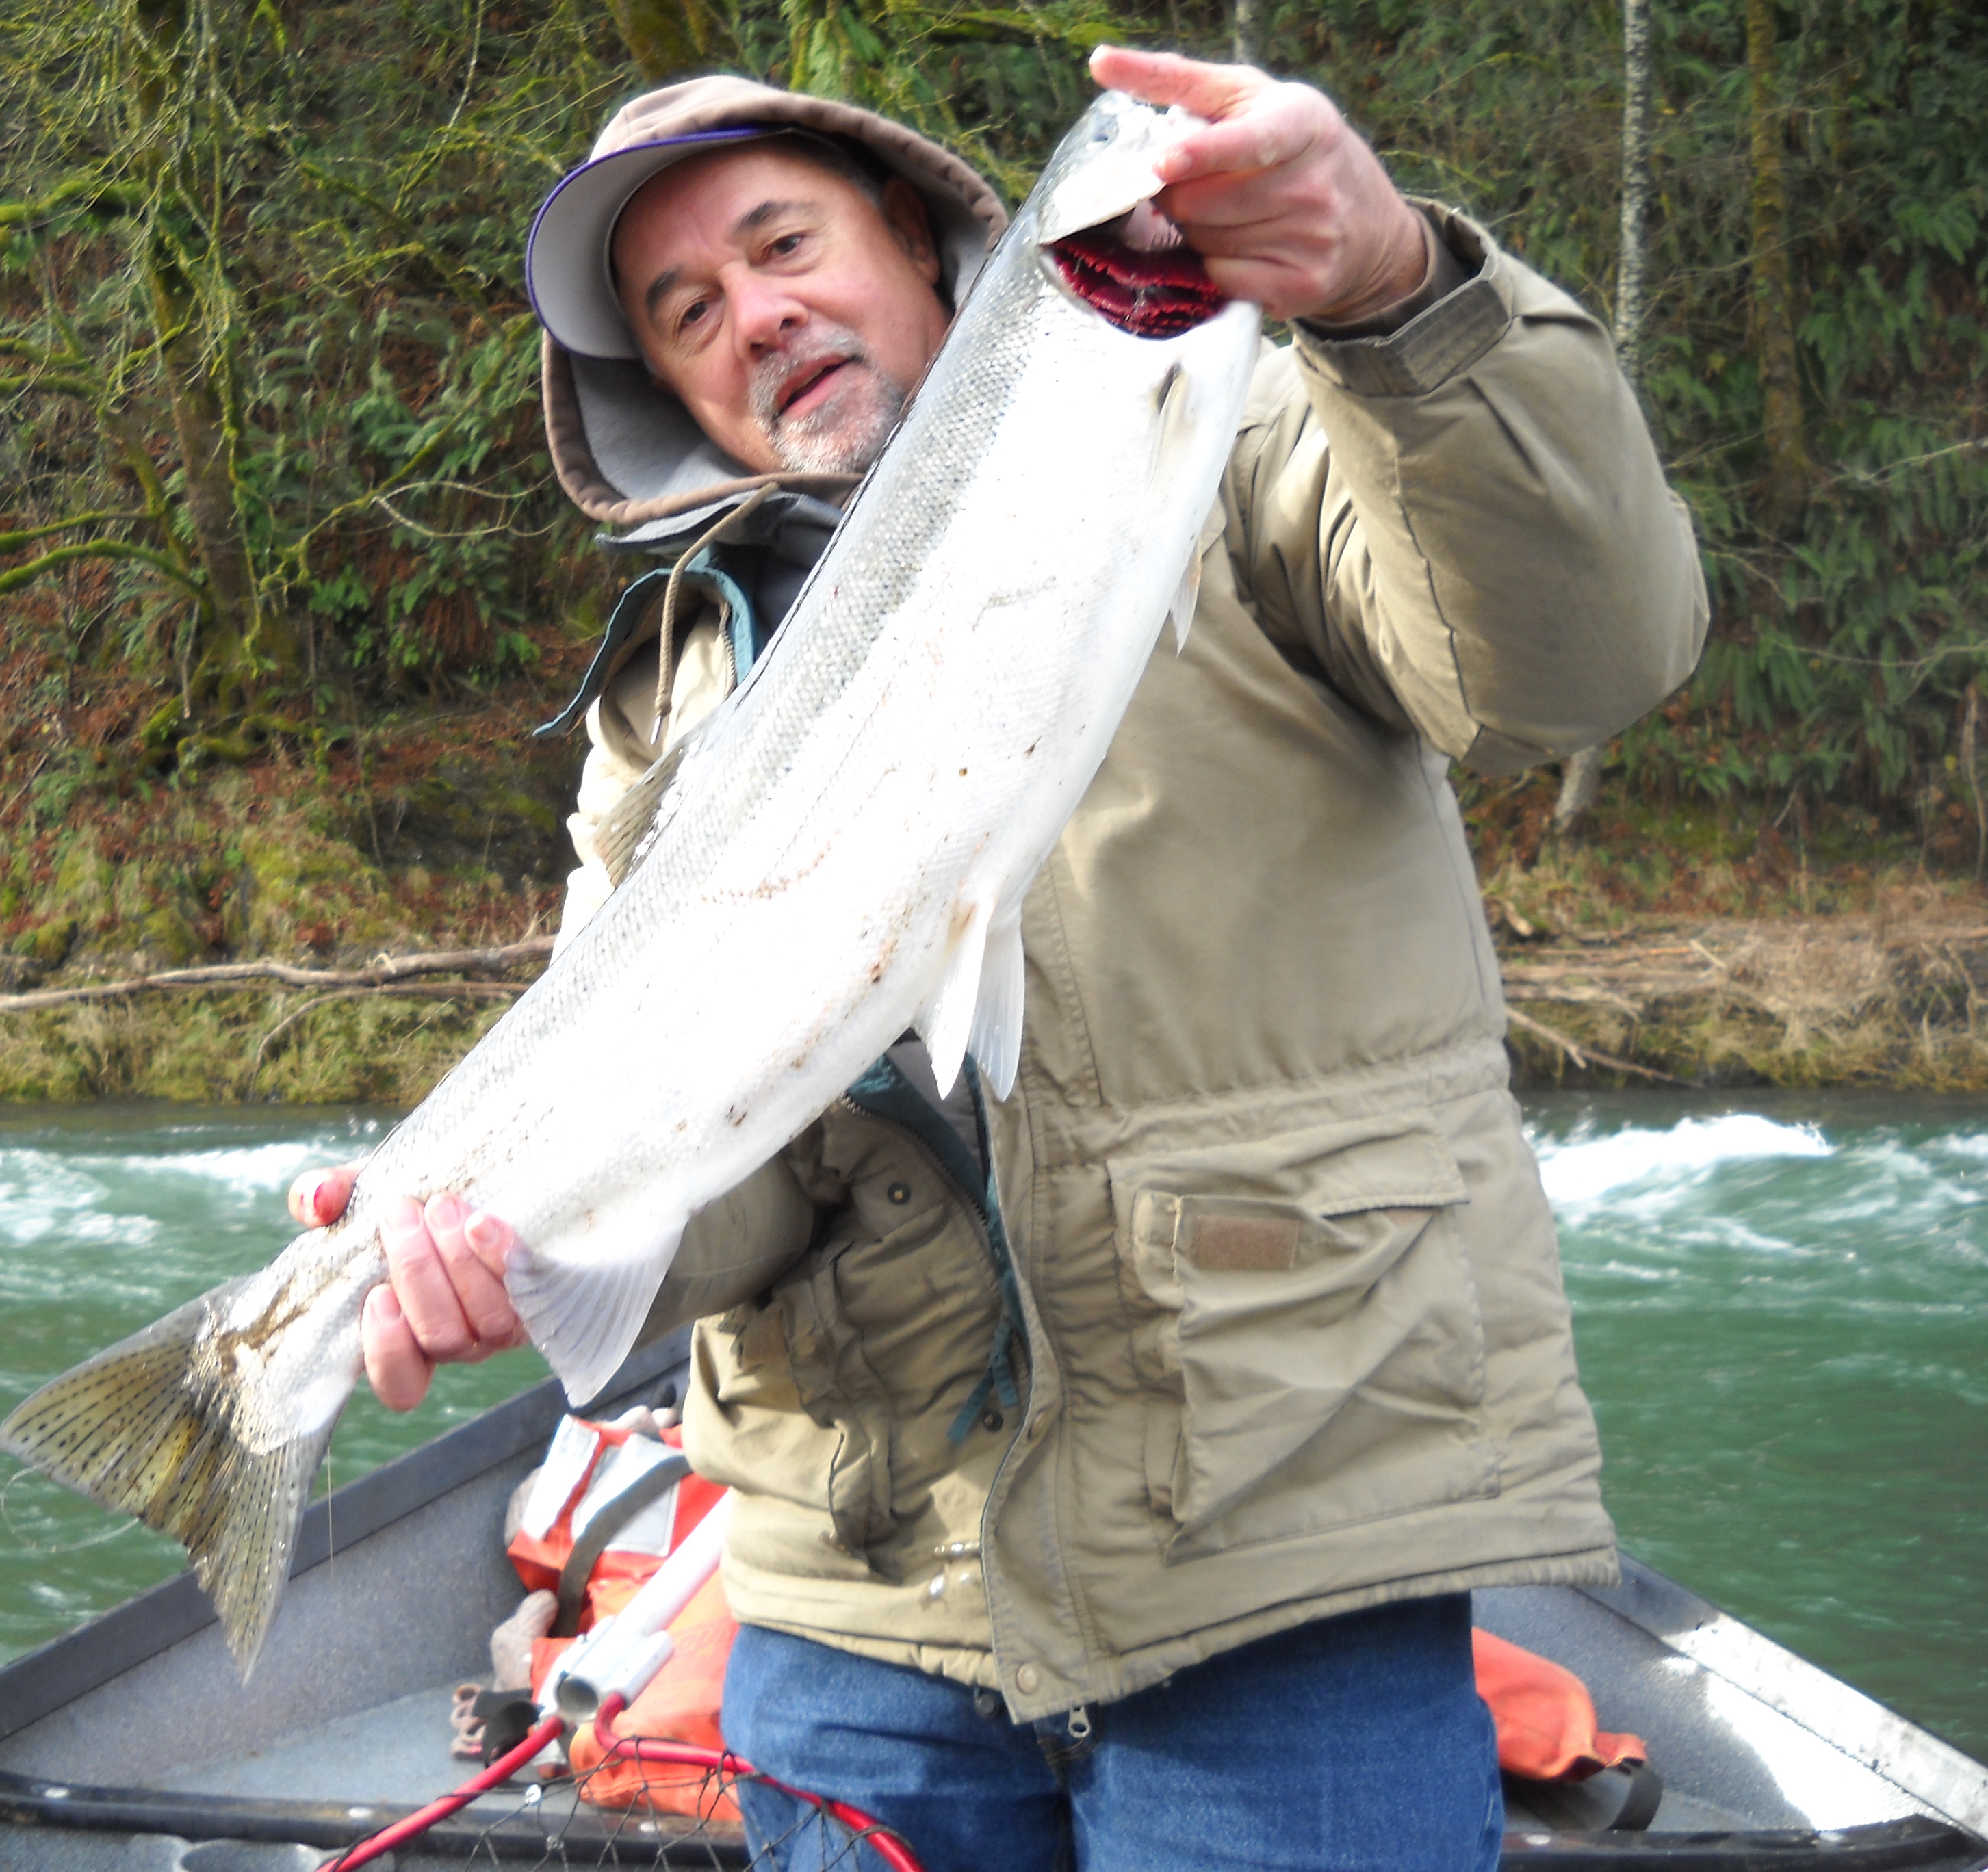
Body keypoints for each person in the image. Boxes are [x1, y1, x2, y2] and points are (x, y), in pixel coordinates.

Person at [289, 44, 1708, 1871]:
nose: (755, 315)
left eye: (784, 243)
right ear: (668, 390)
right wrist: (524, 1252)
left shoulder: (1257, 434)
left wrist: (1392, 296)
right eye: (687, 308)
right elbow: (733, 1189)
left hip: (1280, 1544)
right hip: (851, 1615)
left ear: (923, 240)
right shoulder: (669, 707)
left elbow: (1586, 660)